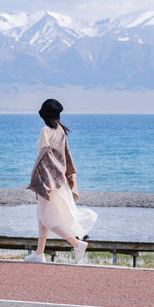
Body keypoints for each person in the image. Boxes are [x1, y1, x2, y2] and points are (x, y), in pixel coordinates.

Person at [25, 98, 97, 265]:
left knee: (48, 219)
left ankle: (77, 244)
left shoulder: (45, 130)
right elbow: (64, 156)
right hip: (59, 180)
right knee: (41, 217)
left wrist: (34, 177)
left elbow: (43, 157)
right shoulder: (60, 130)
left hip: (48, 181)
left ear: (44, 115)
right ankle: (39, 254)